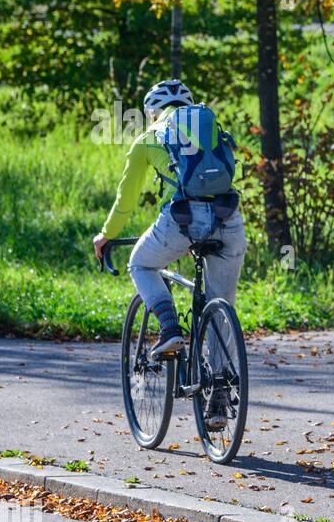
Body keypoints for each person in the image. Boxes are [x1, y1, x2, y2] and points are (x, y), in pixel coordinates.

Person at [91, 79, 247, 429]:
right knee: (221, 307)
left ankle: (169, 328)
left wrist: (107, 235)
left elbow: (126, 200)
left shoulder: (148, 138)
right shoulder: (211, 126)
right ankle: (219, 394)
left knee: (141, 262)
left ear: (152, 111)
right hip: (229, 219)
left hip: (182, 221)